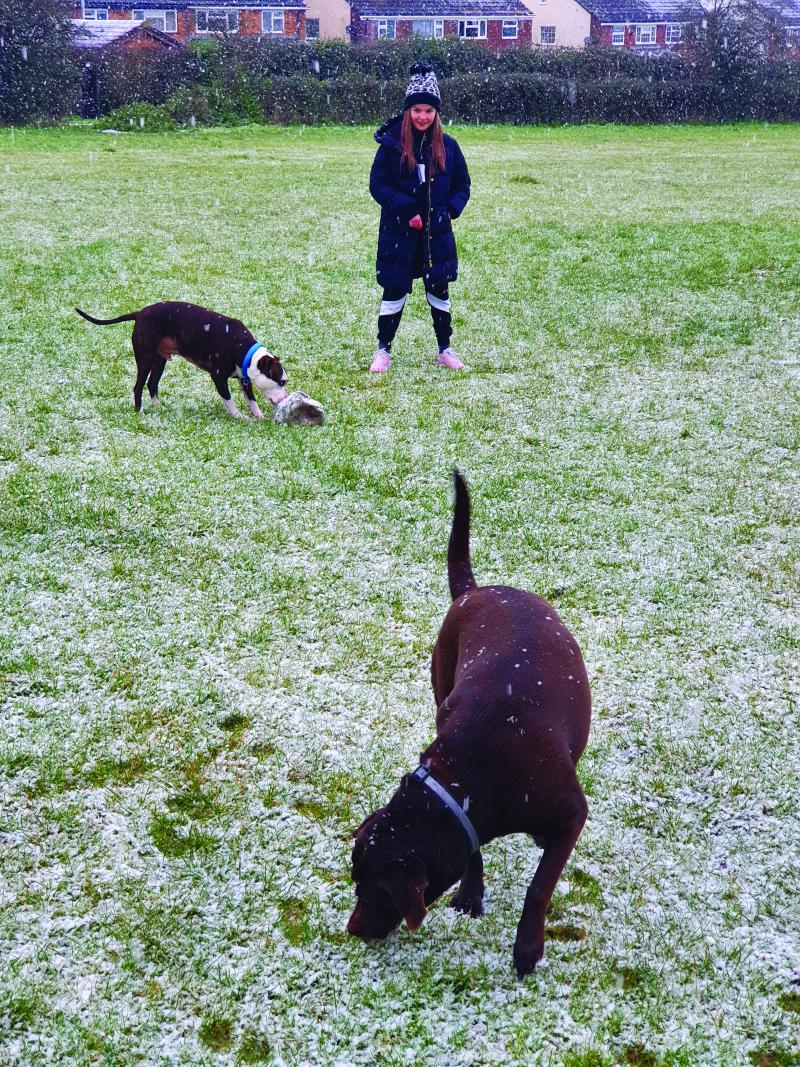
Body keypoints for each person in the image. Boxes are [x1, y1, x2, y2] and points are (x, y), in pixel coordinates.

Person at [368, 62, 471, 373]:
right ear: (408, 111)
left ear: (436, 113)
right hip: (398, 234)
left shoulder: (449, 147)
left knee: (439, 290)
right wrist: (407, 209)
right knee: (394, 289)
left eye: (429, 110)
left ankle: (445, 349)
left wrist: (450, 210)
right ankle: (383, 350)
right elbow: (378, 185)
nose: (423, 116)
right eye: (417, 110)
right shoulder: (392, 146)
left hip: (436, 235)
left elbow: (462, 185)